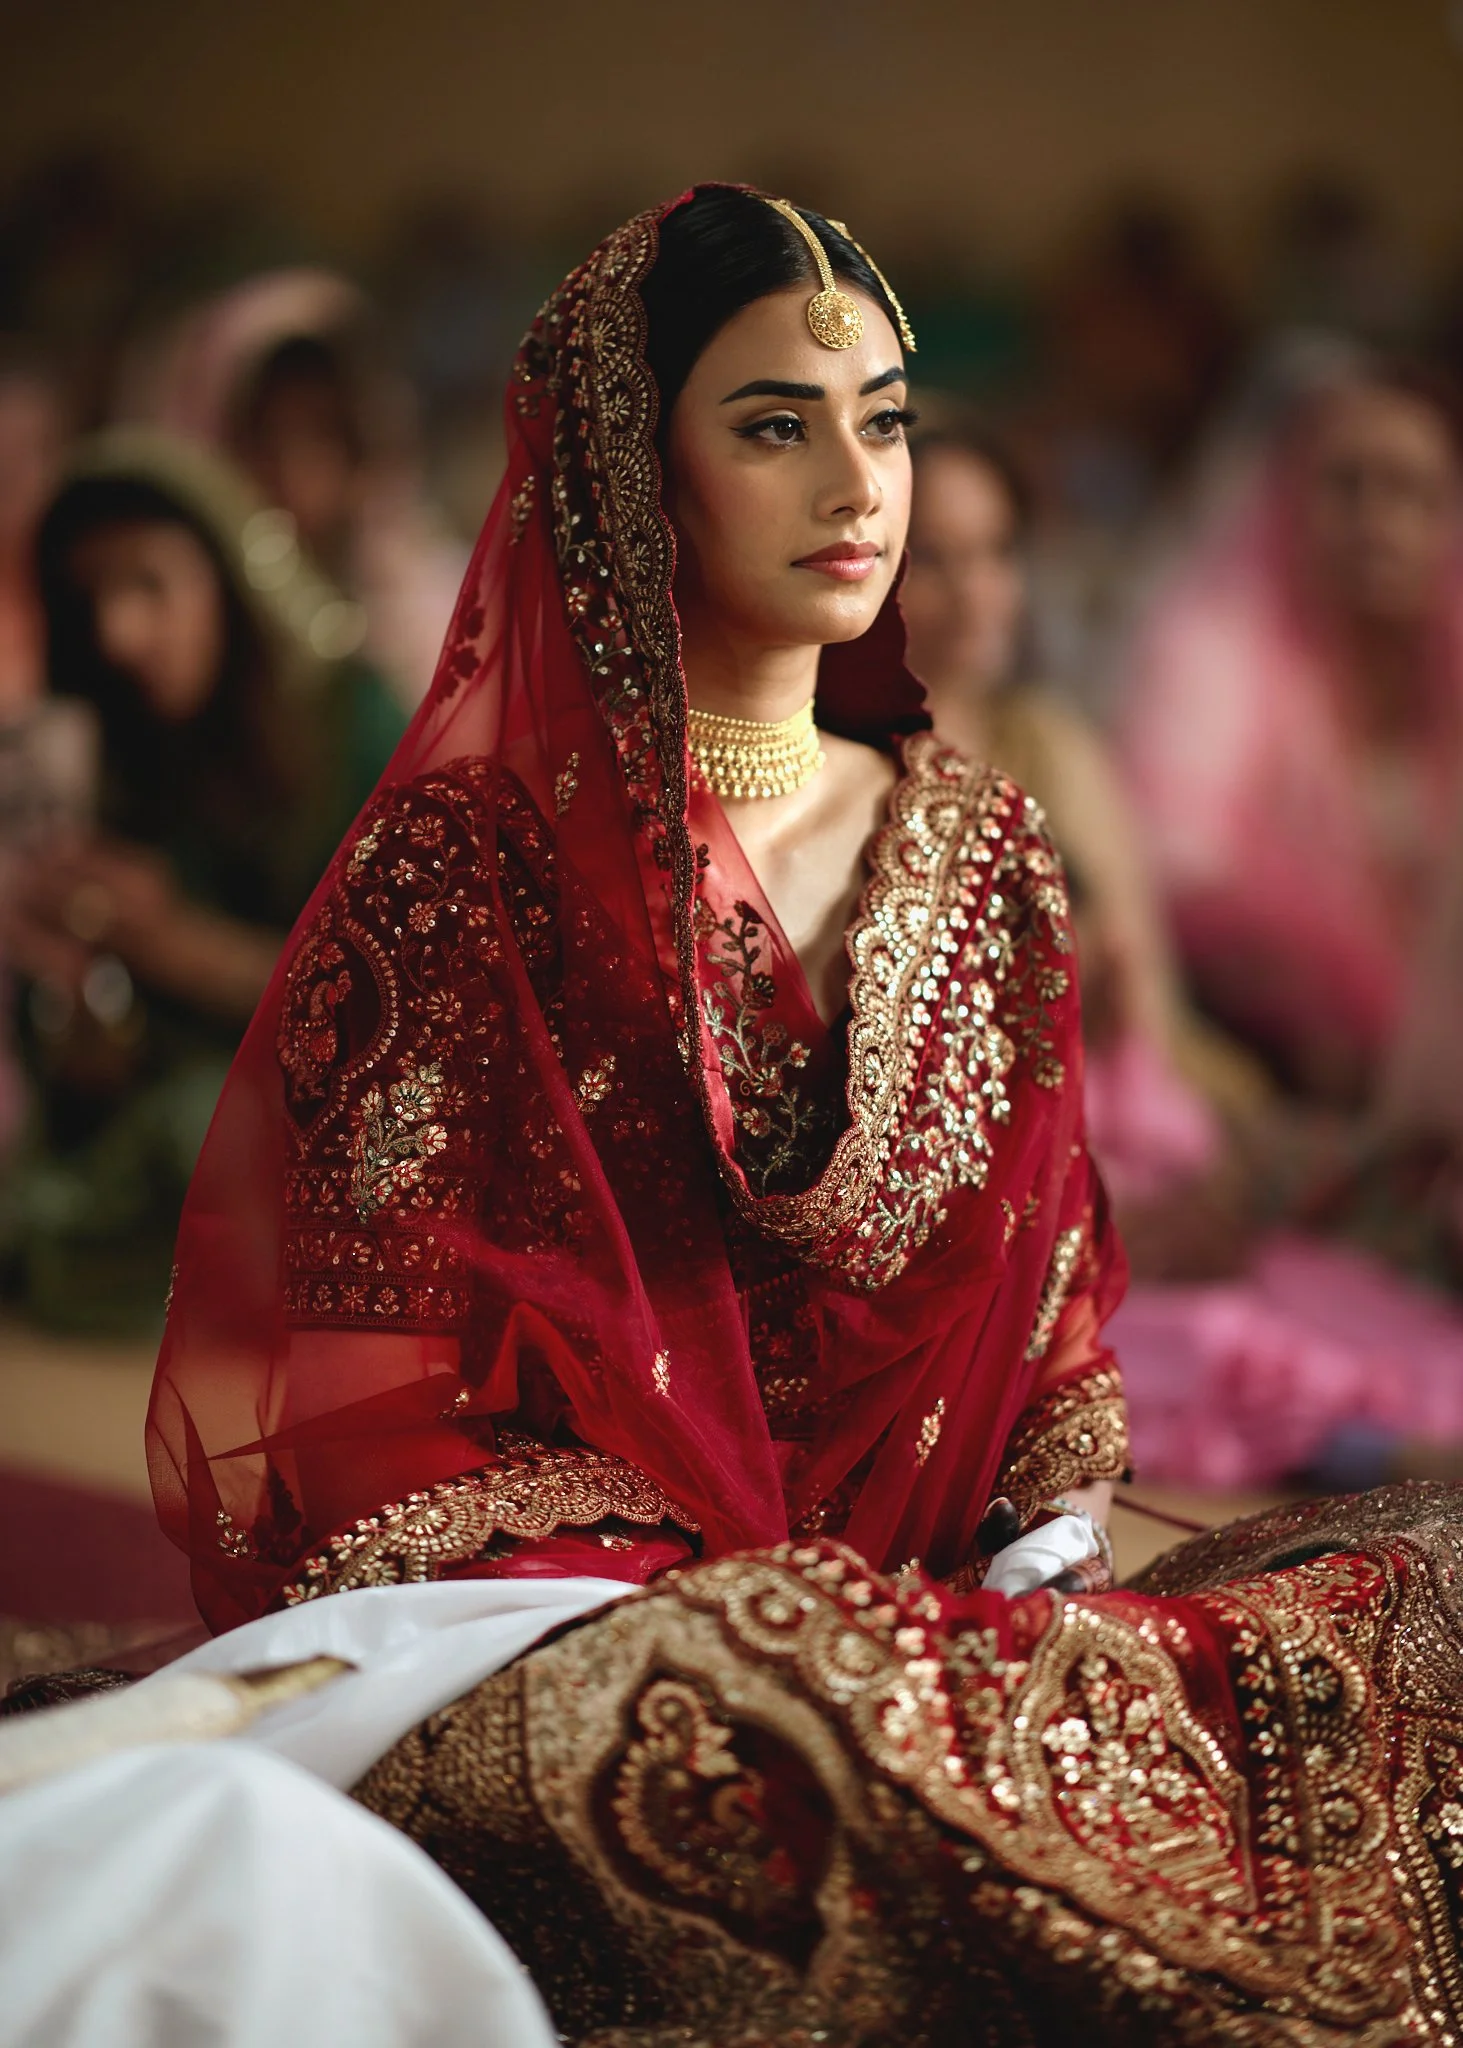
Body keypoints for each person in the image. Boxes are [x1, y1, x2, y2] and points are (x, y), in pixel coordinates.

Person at [9, 189, 1458, 2045]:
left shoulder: (986, 850)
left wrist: (1032, 1565)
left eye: (885, 417)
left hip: (941, 1637)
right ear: (634, 467)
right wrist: (741, 1609)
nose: (855, 478)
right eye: (774, 424)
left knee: (1378, 1644)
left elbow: (1047, 1335)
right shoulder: (471, 866)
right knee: (748, 1724)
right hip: (552, 1631)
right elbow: (373, 1394)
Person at [902, 420, 1463, 1493]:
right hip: (984, 1212)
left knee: (1335, 1296)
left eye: (996, 553)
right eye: (932, 557)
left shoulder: (1044, 745)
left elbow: (1145, 1029)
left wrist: (1223, 1166)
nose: (975, 592)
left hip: (1132, 1156)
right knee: (1149, 1340)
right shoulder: (835, 768)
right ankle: (1353, 1454)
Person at [0, 429, 403, 1331]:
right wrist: (81, 1009)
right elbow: (109, 1046)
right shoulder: (121, 743)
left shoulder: (356, 723)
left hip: (353, 1146)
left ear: (228, 575)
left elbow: (397, 1012)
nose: (118, 631)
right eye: (89, 597)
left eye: (150, 583)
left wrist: (161, 938)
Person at [1121, 360, 1463, 1111]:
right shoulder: (1213, 646)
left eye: (1411, 490)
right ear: (1286, 500)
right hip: (1272, 1069)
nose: (1377, 521)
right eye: (1347, 486)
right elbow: (1183, 867)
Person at [122, 267, 468, 710]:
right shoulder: (177, 624)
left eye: (323, 433)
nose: (294, 470)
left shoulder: (446, 615)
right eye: (265, 437)